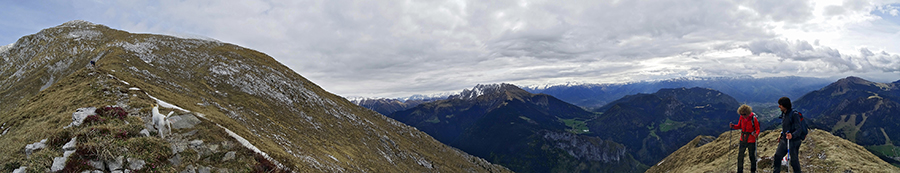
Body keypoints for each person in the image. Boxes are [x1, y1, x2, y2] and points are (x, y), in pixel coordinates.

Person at [773, 97, 802, 173]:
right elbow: (785, 127)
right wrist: (782, 135)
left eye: (780, 105)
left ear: (785, 105)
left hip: (794, 141)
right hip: (785, 140)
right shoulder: (784, 114)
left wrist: (792, 135)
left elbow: (799, 129)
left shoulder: (794, 114)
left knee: (794, 161)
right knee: (777, 156)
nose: (779, 106)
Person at [730, 104, 759, 173]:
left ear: (748, 112)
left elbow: (757, 128)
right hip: (743, 139)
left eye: (744, 114)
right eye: (741, 114)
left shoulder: (753, 119)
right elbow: (739, 126)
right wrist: (733, 126)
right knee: (740, 156)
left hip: (751, 140)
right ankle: (739, 171)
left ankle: (753, 170)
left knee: (752, 156)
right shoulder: (741, 117)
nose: (743, 116)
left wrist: (756, 134)